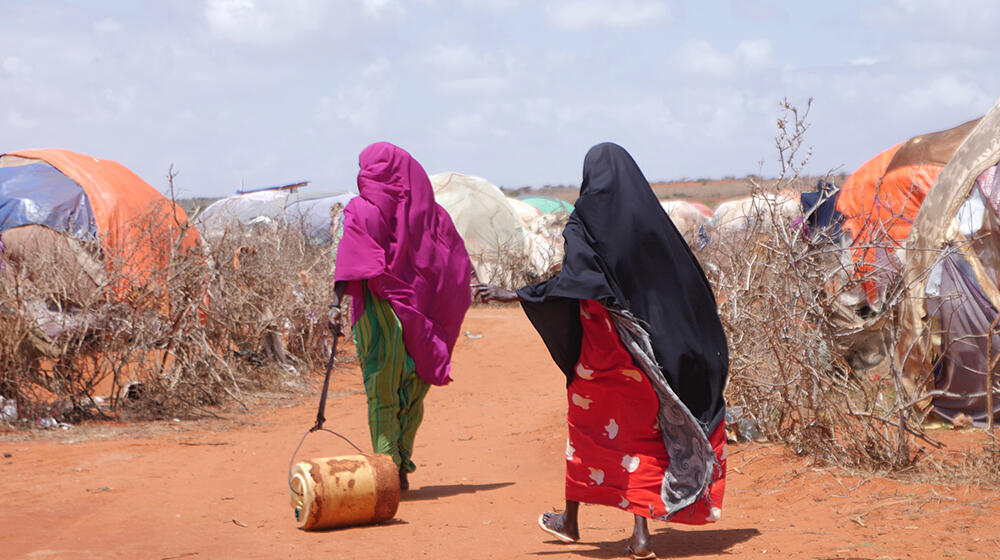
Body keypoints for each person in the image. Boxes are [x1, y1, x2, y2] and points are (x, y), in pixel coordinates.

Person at [475, 142, 728, 559]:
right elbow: (685, 286)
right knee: (643, 436)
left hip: (602, 356)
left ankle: (571, 521)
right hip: (649, 358)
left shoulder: (585, 222)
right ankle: (640, 534)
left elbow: (576, 285)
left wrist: (516, 294)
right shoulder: (651, 222)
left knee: (586, 429)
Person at [332, 142, 472, 490]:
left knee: (382, 390)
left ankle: (386, 466)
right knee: (412, 384)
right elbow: (455, 268)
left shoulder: (361, 210)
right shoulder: (432, 216)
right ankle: (400, 462)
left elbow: (351, 263)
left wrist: (334, 308)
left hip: (378, 312)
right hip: (421, 317)